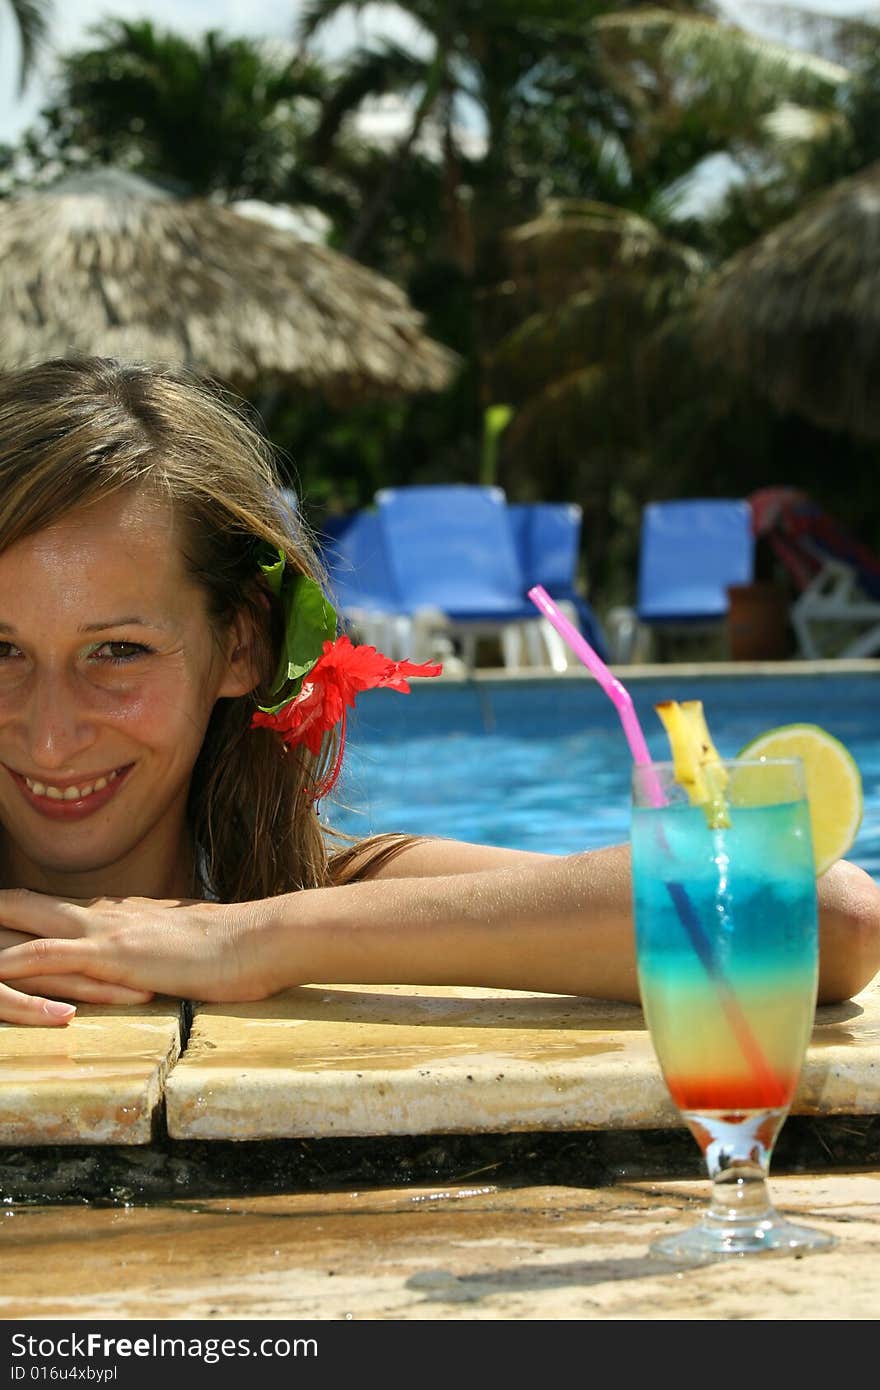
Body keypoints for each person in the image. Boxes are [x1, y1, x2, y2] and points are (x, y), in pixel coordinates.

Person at [0, 354, 875, 1029]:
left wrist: (247, 937)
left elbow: (827, 914)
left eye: (116, 651)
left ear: (241, 646)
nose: (48, 736)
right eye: (1, 650)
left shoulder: (318, 893)